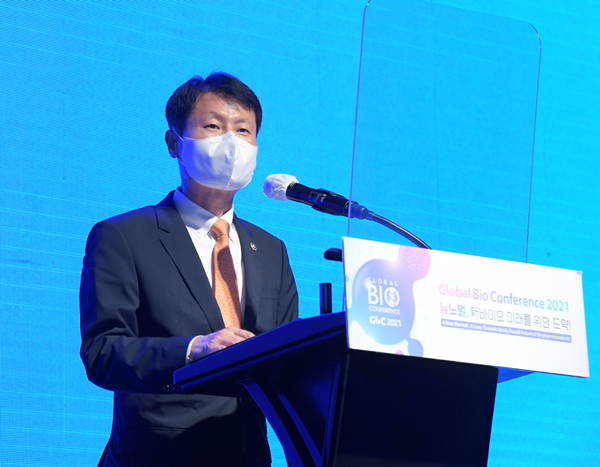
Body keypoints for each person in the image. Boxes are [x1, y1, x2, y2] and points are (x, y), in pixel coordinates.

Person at [80, 73, 299, 467]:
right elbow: (103, 352)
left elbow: (286, 362)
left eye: (243, 130)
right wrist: (194, 348)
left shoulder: (271, 250)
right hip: (157, 455)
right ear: (173, 143)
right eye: (213, 126)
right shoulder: (124, 236)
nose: (231, 142)